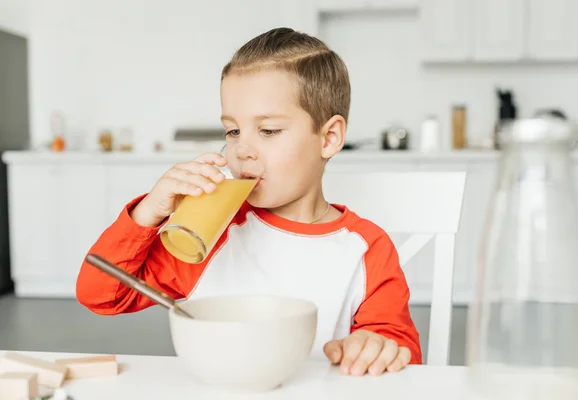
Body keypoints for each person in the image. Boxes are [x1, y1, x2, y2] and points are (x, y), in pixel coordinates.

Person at [76, 27, 422, 376]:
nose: (242, 150)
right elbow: (102, 294)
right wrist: (148, 211)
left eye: (268, 131)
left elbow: (400, 350)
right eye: (233, 131)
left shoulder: (367, 249)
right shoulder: (212, 232)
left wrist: (376, 347)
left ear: (329, 137)